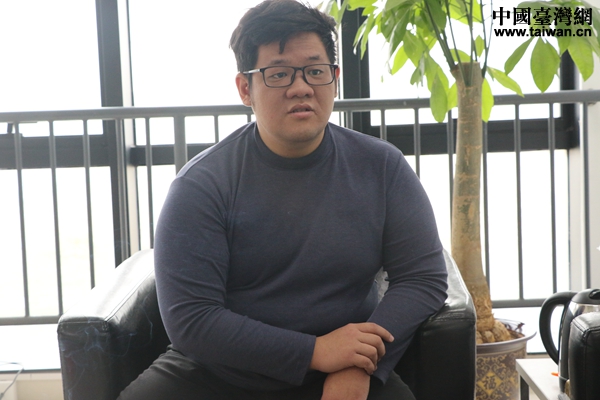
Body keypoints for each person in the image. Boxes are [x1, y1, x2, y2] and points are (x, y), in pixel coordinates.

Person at [118, 1, 448, 399]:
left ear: (335, 79)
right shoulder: (202, 185)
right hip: (221, 373)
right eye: (278, 74)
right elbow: (192, 318)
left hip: (343, 365)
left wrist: (361, 365)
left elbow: (422, 277)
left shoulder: (382, 167)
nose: (301, 87)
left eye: (315, 71)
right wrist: (315, 351)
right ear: (245, 89)